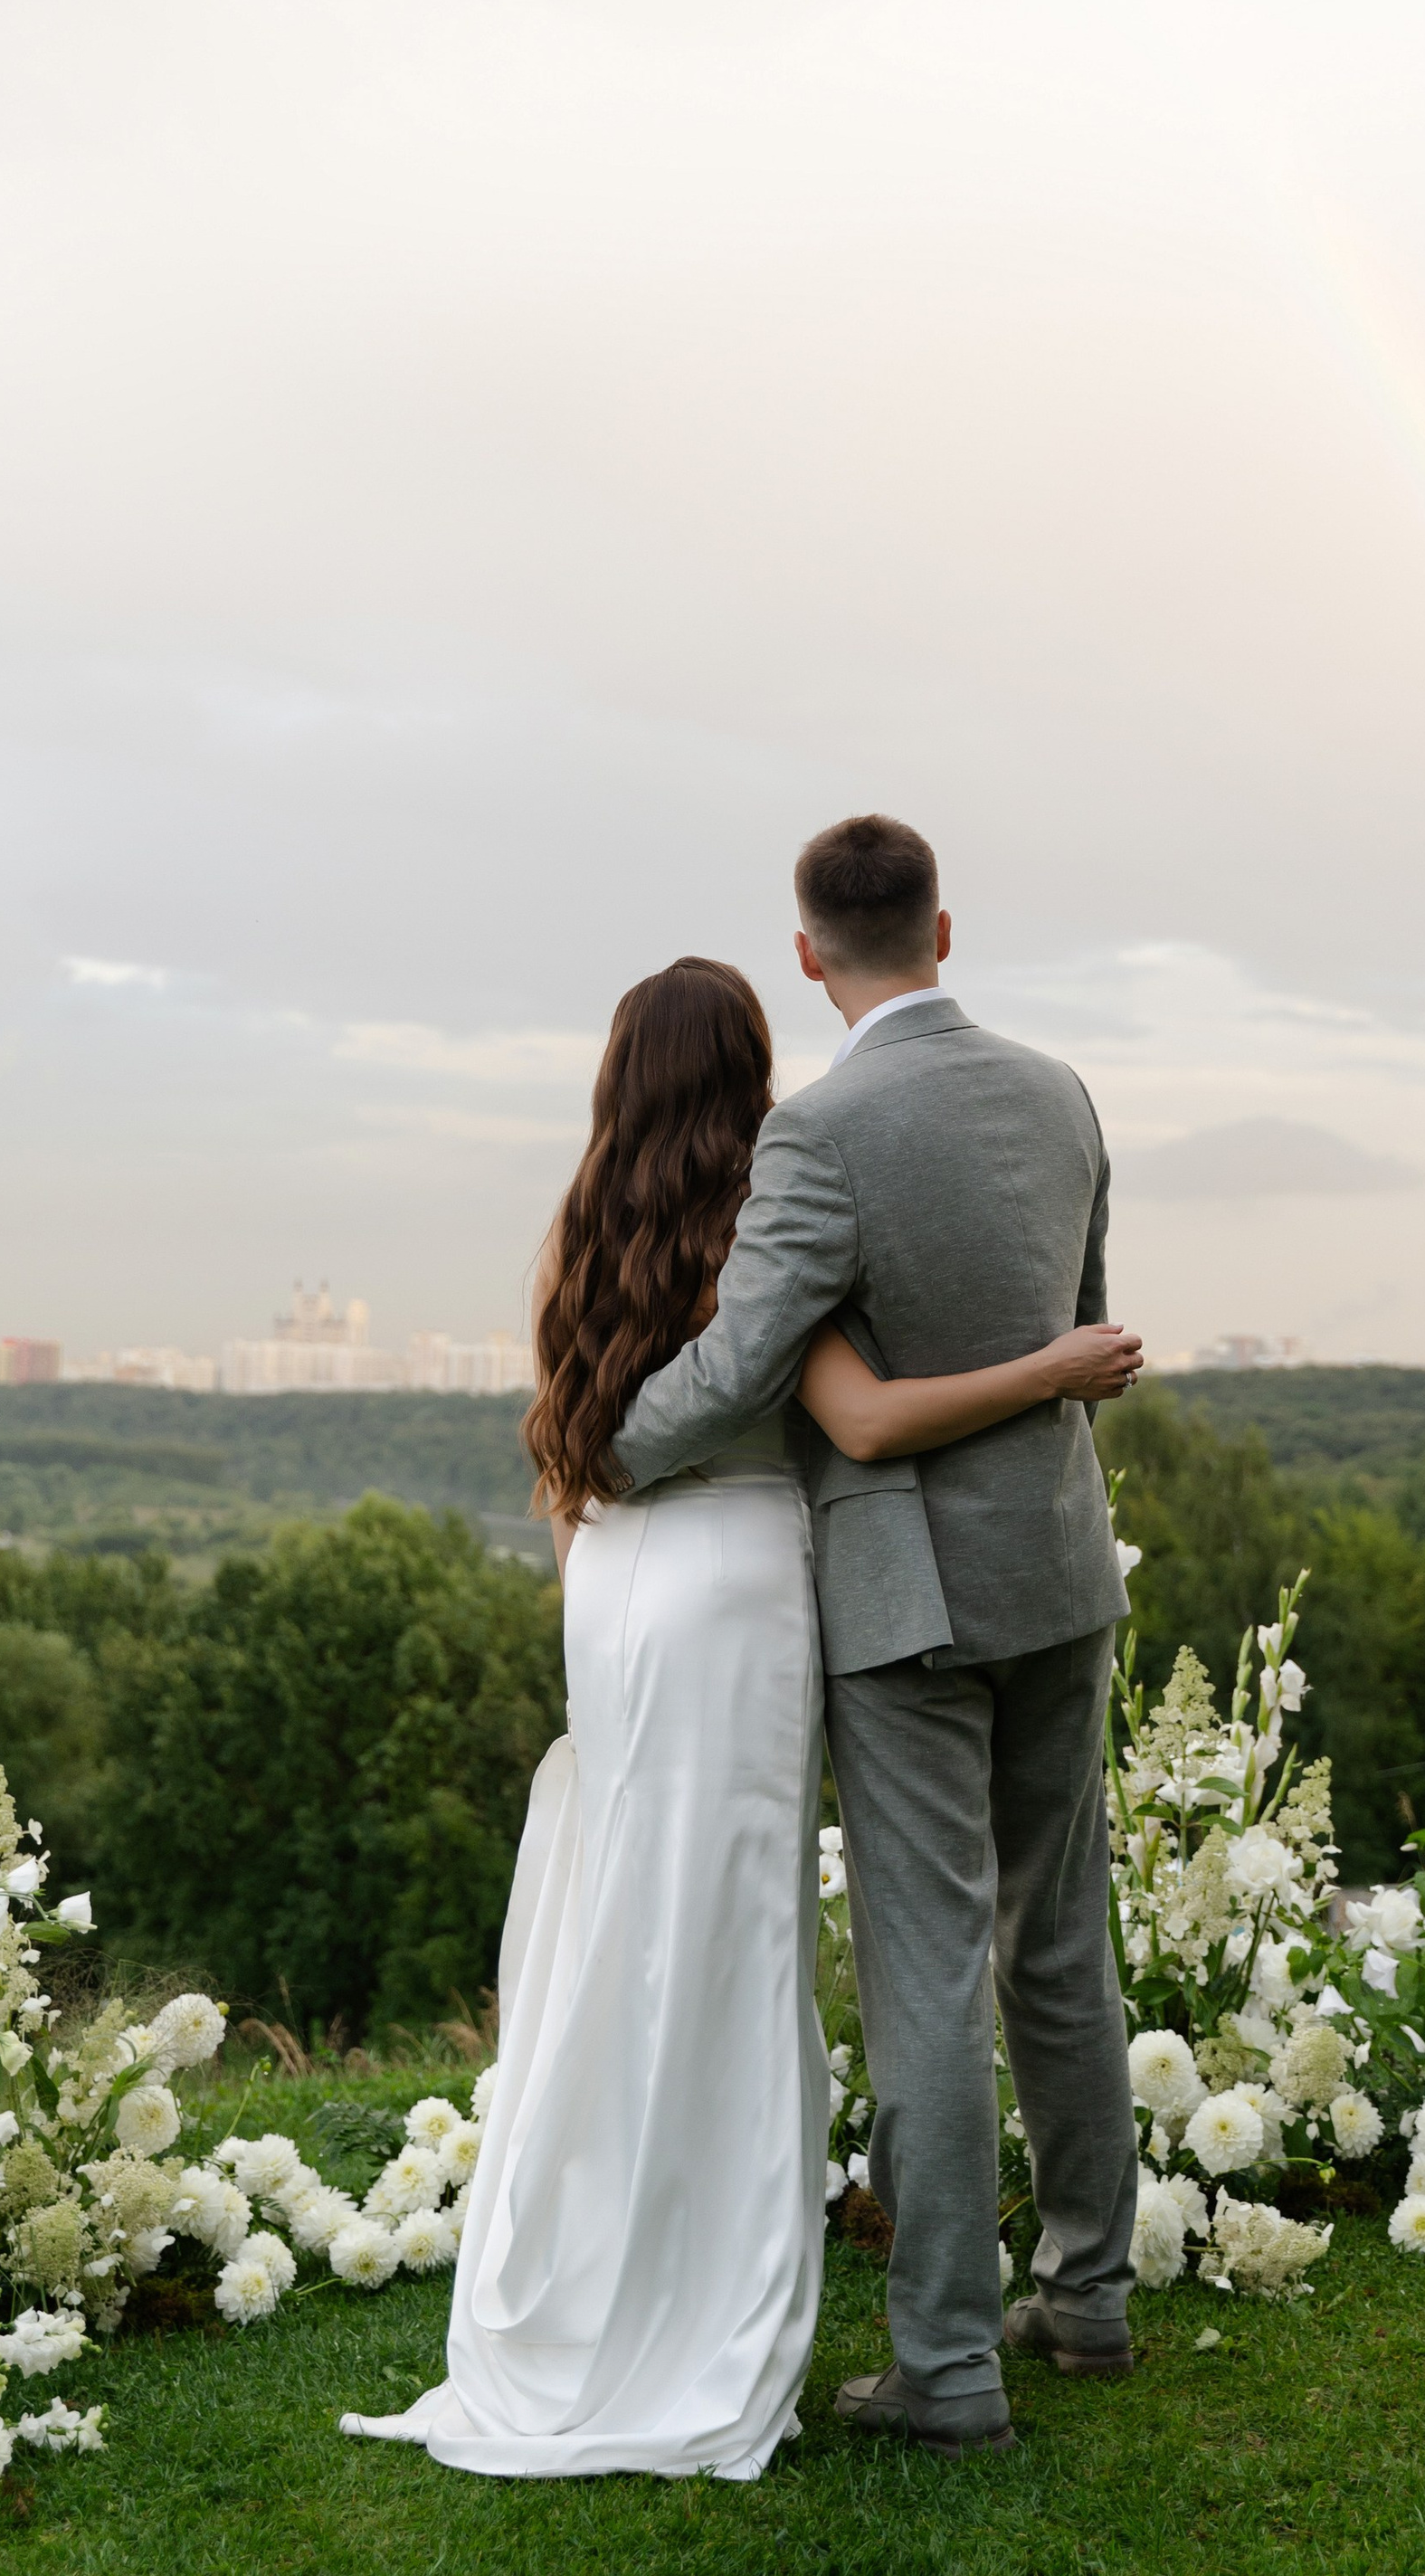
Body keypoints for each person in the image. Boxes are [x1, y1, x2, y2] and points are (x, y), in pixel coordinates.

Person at [339, 941, 1137, 2482]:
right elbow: (851, 1413)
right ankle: (1054, 2299)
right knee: (836, 1934)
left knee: (639, 1916)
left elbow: (575, 1465)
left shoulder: (586, 1237)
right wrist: (1052, 1366)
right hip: (802, 1576)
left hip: (623, 1591)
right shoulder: (790, 1203)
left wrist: (601, 1516)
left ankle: (662, 2259)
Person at [607, 815, 1143, 2460]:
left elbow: (752, 1357)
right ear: (945, 928)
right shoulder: (1062, 1097)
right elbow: (1079, 1317)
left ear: (806, 951)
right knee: (1060, 1938)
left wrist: (613, 1444)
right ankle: (1094, 2297)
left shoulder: (819, 1135)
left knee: (926, 1970)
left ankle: (950, 2367)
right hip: (1059, 1569)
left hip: (906, 1608)